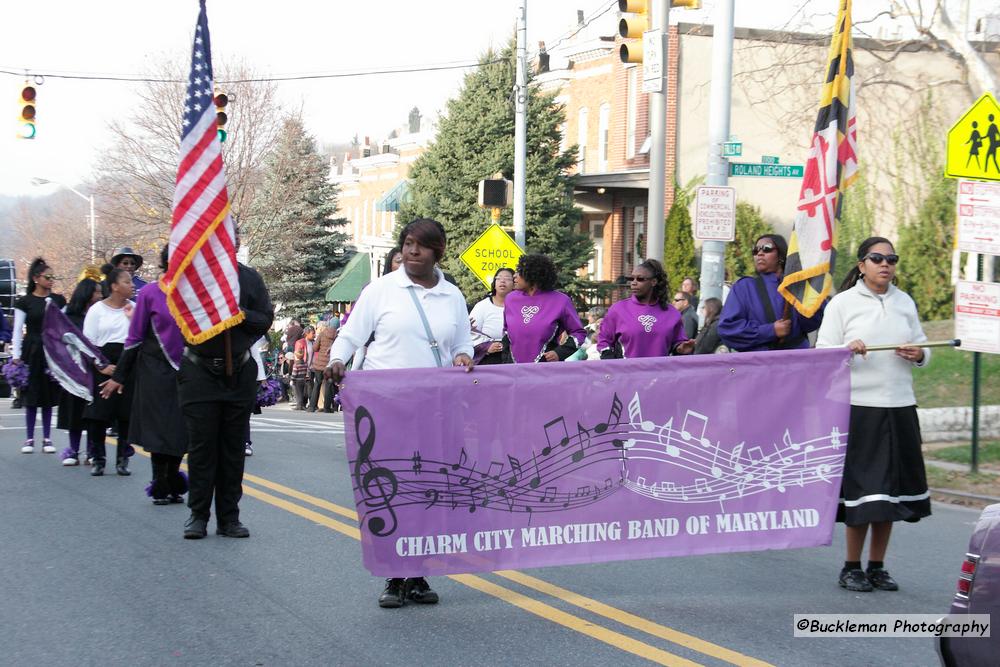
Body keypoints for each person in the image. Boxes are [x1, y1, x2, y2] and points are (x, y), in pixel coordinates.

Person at [325, 218, 473, 608]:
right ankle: (393, 575)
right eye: (407, 244)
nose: (411, 252)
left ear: (437, 252)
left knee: (426, 488)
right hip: (384, 403)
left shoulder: (452, 296)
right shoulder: (381, 290)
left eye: (420, 246)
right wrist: (339, 359)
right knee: (390, 486)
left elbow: (462, 343)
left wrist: (462, 356)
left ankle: (419, 574)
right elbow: (351, 334)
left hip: (433, 406)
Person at [816, 237, 931, 593]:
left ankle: (878, 566)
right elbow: (823, 352)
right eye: (877, 258)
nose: (885, 264)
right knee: (866, 493)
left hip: (900, 406)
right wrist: (846, 350)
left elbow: (925, 346)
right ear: (862, 264)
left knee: (891, 494)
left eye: (891, 259)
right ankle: (851, 566)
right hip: (861, 409)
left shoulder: (904, 301)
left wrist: (919, 354)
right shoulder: (842, 304)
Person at [180, 249, 274, 540]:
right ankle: (197, 515)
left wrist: (239, 314)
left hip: (238, 371)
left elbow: (264, 318)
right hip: (199, 370)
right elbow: (178, 311)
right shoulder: (192, 276)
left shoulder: (248, 278)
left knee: (233, 451)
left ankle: (229, 518)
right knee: (201, 448)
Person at [100, 247, 187, 504]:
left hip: (186, 371)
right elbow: (134, 338)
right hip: (153, 371)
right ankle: (160, 482)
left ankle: (172, 477)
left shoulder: (194, 294)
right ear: (168, 262)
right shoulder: (149, 293)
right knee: (159, 430)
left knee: (180, 429)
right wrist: (120, 376)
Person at [718, 233, 825, 352]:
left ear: (781, 255)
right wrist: (771, 330)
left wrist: (806, 288)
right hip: (759, 364)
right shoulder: (744, 287)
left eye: (767, 248)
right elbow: (727, 329)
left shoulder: (798, 284)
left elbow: (813, 323)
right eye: (755, 250)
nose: (759, 253)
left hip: (796, 362)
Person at [82, 268, 136, 476]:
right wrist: (101, 366)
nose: (131, 285)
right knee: (98, 415)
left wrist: (123, 369)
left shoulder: (134, 308)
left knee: (125, 415)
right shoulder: (97, 310)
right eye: (126, 282)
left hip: (127, 362)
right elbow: (88, 343)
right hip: (102, 362)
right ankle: (98, 458)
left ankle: (123, 459)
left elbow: (138, 338)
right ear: (114, 286)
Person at [12, 258, 66, 454]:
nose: (51, 280)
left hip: (51, 349)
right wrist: (16, 355)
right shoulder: (24, 302)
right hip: (32, 349)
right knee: (32, 393)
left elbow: (63, 327)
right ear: (36, 278)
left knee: (48, 393)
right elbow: (18, 330)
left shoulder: (58, 300)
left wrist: (63, 352)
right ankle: (29, 438)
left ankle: (47, 438)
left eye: (53, 277)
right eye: (47, 277)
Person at [598, 259, 694, 358]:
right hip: (627, 372)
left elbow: (678, 342)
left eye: (640, 279)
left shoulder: (672, 313)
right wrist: (609, 358)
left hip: (660, 371)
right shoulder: (618, 309)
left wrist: (681, 348)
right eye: (632, 279)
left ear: (653, 282)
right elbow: (604, 340)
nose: (634, 283)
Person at [56, 269, 104, 465]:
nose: (101, 296)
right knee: (74, 410)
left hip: (95, 370)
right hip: (75, 370)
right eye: (97, 292)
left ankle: (93, 452)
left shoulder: (101, 313)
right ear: (87, 294)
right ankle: (73, 451)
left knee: (93, 413)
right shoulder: (69, 315)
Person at [503, 254, 586, 363]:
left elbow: (579, 333)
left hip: (546, 371)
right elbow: (506, 331)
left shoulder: (561, 301)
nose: (514, 276)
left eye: (520, 272)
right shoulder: (510, 298)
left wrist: (559, 353)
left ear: (533, 275)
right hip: (513, 372)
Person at [469, 267, 513, 365]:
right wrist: (487, 347)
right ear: (494, 283)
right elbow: (470, 331)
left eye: (507, 278)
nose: (502, 281)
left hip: (513, 357)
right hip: (488, 358)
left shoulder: (519, 307)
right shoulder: (482, 306)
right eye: (499, 278)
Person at [309, 321, 338, 412]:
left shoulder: (322, 333)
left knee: (317, 384)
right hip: (330, 364)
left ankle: (312, 406)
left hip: (319, 365)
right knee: (328, 385)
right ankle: (327, 408)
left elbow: (315, 348)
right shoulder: (337, 336)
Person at [291, 326, 315, 410]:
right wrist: (298, 365)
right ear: (306, 334)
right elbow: (297, 354)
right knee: (302, 387)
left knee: (309, 387)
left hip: (311, 368)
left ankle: (306, 404)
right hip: (303, 367)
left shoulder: (314, 342)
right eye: (312, 333)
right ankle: (301, 404)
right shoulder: (300, 342)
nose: (314, 335)